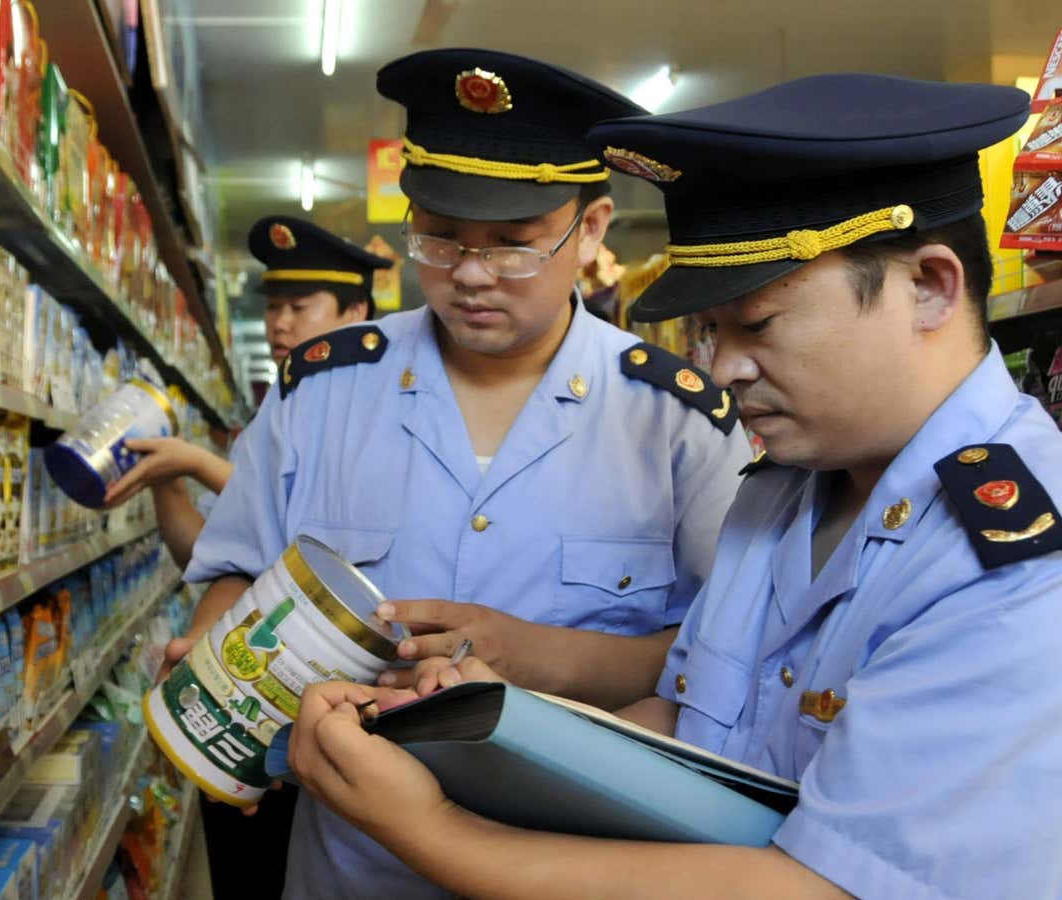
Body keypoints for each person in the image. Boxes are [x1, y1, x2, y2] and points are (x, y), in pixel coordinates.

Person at [286, 73, 1062, 899]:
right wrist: (504, 731)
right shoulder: (781, 495)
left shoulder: (1012, 560)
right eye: (710, 332)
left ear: (930, 287)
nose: (723, 369)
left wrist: (433, 829)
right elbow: (686, 720)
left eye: (757, 324)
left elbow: (824, 886)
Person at [179, 49, 751, 898]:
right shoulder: (325, 392)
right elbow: (233, 568)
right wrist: (211, 662)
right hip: (352, 865)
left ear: (590, 228)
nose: (471, 275)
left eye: (514, 245)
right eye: (439, 237)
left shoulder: (673, 419)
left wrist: (544, 659)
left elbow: (732, 655)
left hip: (579, 859)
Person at [103, 215, 390, 570]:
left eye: (299, 307)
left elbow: (307, 523)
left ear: (356, 312)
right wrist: (168, 483)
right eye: (272, 307)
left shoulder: (380, 411)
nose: (280, 323)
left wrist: (197, 462)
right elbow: (205, 557)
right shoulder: (274, 414)